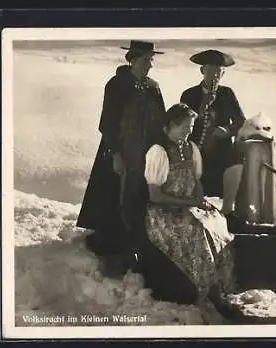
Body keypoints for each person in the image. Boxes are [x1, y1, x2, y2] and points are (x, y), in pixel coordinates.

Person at [76, 40, 167, 278]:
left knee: (138, 202)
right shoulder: (117, 85)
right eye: (147, 59)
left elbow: (161, 122)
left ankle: (137, 250)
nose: (151, 64)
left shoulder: (153, 87)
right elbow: (107, 124)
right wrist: (116, 155)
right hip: (119, 152)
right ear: (133, 59)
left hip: (144, 156)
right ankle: (112, 255)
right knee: (113, 201)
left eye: (152, 59)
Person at [141, 103, 237, 318]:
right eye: (185, 126)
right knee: (198, 232)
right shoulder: (159, 152)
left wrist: (199, 198)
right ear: (171, 126)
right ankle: (208, 293)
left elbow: (196, 179)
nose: (189, 131)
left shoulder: (191, 148)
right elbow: (155, 196)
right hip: (164, 212)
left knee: (217, 224)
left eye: (191, 127)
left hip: (188, 205)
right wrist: (188, 203)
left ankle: (221, 288)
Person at [180, 49, 246, 198]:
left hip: (221, 155)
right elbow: (181, 122)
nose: (216, 76)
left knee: (222, 196)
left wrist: (227, 130)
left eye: (219, 71)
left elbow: (240, 120)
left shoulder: (227, 94)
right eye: (212, 70)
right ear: (202, 70)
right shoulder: (189, 95)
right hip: (196, 154)